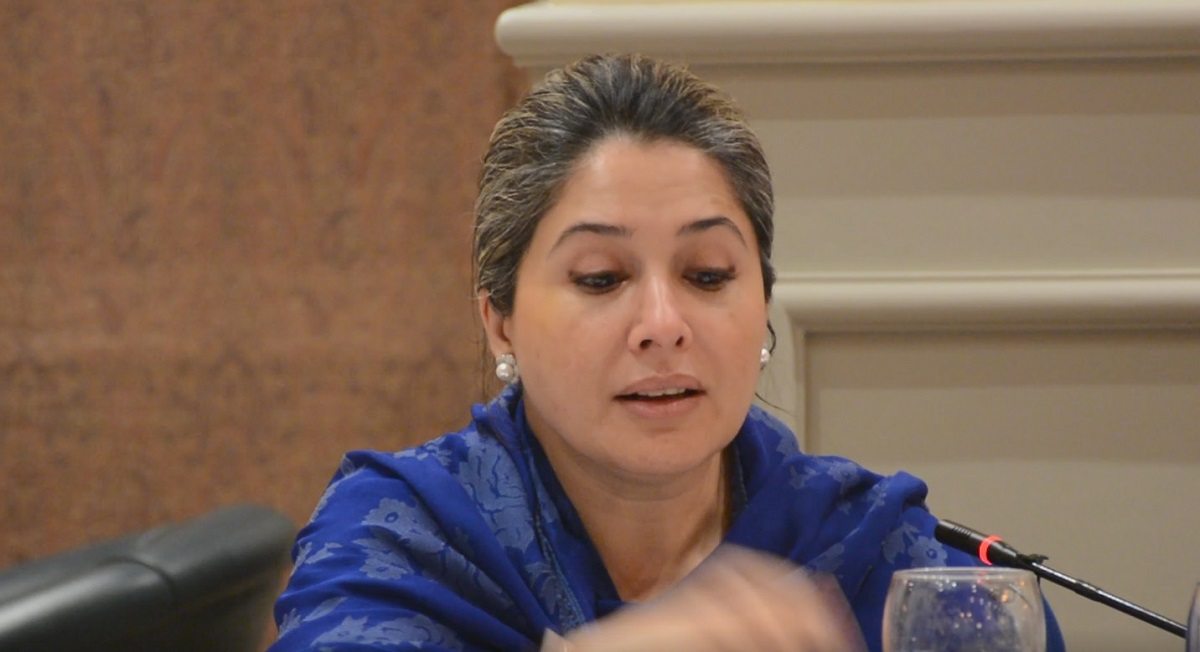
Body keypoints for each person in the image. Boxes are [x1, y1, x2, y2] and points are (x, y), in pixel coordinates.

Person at [268, 53, 1066, 652]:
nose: (662, 323)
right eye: (601, 277)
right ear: (499, 322)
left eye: (708, 274)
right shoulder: (402, 538)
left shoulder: (866, 544)